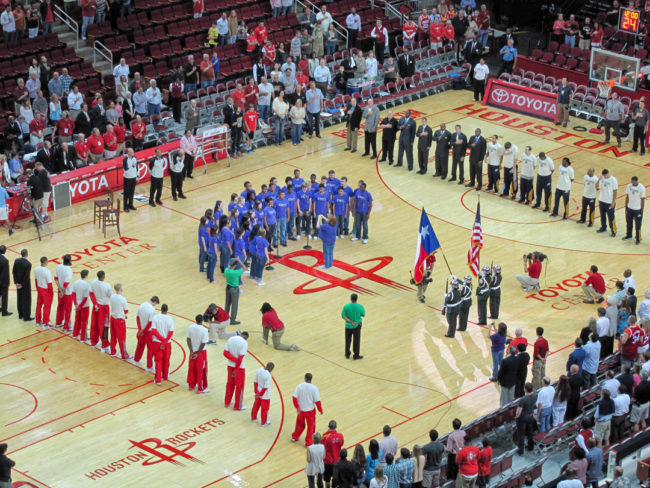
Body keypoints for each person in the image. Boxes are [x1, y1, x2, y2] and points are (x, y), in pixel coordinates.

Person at [292, 372, 323, 446]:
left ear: (305, 378)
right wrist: (320, 409)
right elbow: (317, 401)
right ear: (311, 379)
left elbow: (294, 397)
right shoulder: (314, 388)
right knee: (311, 427)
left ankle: (295, 437)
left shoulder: (300, 386)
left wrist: (297, 407)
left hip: (301, 411)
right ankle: (309, 443)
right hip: (310, 412)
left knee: (299, 424)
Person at [186, 314, 209, 394]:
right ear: (202, 320)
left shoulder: (191, 327)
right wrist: (198, 354)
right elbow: (203, 343)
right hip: (201, 353)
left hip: (193, 351)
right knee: (201, 371)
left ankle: (191, 385)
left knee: (192, 369)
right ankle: (200, 388)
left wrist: (191, 351)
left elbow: (188, 339)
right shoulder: (204, 330)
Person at [151, 304, 174, 385]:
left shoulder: (156, 318)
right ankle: (165, 376)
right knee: (166, 360)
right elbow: (171, 332)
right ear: (167, 310)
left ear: (161, 309)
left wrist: (161, 340)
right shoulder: (170, 319)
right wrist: (165, 341)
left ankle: (158, 380)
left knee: (158, 361)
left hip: (157, 342)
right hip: (167, 343)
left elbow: (153, 330)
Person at [134, 296, 159, 371]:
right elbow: (150, 323)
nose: (155, 305)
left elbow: (137, 318)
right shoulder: (152, 309)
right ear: (154, 302)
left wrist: (140, 329)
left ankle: (136, 360)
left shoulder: (142, 305)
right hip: (148, 332)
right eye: (156, 304)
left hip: (141, 329)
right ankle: (149, 366)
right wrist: (144, 331)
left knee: (140, 345)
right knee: (150, 348)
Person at [108, 283, 131, 360]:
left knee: (113, 335)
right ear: (121, 289)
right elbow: (126, 310)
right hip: (120, 320)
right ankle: (124, 355)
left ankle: (113, 351)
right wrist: (124, 314)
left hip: (113, 318)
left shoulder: (112, 296)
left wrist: (123, 314)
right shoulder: (123, 299)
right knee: (122, 338)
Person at [341, 293, 365, 360]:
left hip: (348, 326)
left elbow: (343, 316)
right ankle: (356, 355)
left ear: (350, 298)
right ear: (357, 299)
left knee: (348, 340)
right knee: (356, 340)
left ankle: (347, 354)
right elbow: (363, 314)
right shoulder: (360, 307)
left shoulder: (346, 306)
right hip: (357, 325)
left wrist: (351, 321)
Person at [596, 169, 618, 237]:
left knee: (611, 217)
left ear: (608, 174)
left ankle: (613, 231)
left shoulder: (613, 180)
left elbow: (615, 191)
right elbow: (596, 188)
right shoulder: (602, 179)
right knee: (602, 216)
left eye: (605, 175)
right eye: (603, 175)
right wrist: (598, 180)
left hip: (609, 202)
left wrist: (613, 202)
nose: (604, 177)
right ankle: (603, 227)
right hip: (602, 200)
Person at [515, 383, 536, 455]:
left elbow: (518, 412)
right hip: (530, 416)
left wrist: (516, 417)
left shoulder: (523, 399)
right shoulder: (534, 395)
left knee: (521, 434)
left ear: (525, 389)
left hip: (523, 418)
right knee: (530, 432)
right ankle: (531, 447)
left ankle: (521, 451)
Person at [623, 176, 645, 244]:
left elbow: (642, 199)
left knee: (638, 225)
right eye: (631, 181)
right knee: (629, 223)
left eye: (633, 182)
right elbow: (627, 196)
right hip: (629, 208)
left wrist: (641, 210)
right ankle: (628, 235)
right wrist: (626, 206)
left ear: (636, 181)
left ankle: (638, 238)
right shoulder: (629, 186)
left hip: (637, 209)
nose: (631, 183)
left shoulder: (641, 188)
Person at [322, 420, 344, 488]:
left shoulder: (325, 436)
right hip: (337, 462)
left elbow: (322, 444)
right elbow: (341, 444)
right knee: (336, 479)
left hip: (328, 462)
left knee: (327, 480)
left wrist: (327, 432)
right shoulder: (340, 436)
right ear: (336, 427)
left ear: (329, 427)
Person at [54, 254, 74, 331]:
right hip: (67, 292)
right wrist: (63, 291)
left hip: (60, 290)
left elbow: (55, 278)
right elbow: (66, 283)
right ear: (70, 261)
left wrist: (60, 289)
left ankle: (58, 322)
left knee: (60, 306)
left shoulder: (58, 266)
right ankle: (66, 327)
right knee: (68, 309)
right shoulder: (69, 270)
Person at [224, 257, 246, 325]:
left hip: (227, 288)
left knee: (227, 303)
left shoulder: (226, 270)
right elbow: (245, 268)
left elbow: (229, 266)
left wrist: (233, 260)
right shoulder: (235, 272)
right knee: (234, 305)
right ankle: (232, 320)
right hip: (234, 289)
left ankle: (225, 317)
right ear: (235, 266)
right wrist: (240, 261)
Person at [12, 249, 32, 322]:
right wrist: (22, 285)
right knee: (26, 300)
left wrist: (16, 283)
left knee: (19, 299)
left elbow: (13, 272)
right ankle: (26, 317)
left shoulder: (16, 260)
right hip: (25, 285)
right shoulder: (28, 264)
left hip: (18, 284)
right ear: (27, 254)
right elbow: (26, 277)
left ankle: (20, 314)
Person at [34, 256, 54, 328]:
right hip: (46, 290)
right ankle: (45, 323)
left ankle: (38, 321)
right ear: (45, 262)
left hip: (39, 288)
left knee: (39, 305)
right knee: (47, 307)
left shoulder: (36, 269)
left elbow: (36, 280)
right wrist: (51, 293)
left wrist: (37, 288)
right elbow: (49, 284)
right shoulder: (47, 271)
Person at [122, 148, 138, 212]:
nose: (133, 152)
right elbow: (126, 170)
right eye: (131, 152)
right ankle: (125, 207)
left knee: (132, 192)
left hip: (134, 177)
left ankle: (130, 205)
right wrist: (132, 166)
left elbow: (137, 167)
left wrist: (137, 175)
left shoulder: (135, 158)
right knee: (126, 193)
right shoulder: (125, 159)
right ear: (128, 153)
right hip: (127, 178)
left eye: (133, 151)